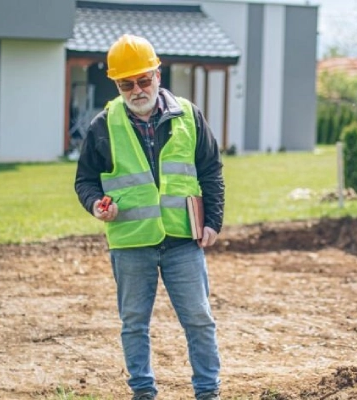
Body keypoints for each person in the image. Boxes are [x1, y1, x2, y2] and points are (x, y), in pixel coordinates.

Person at [74, 34, 224, 400]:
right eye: (127, 83)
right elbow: (85, 180)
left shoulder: (189, 116)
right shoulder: (103, 125)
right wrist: (96, 204)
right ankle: (143, 392)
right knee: (134, 324)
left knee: (199, 320)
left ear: (158, 74)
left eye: (144, 80)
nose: (137, 89)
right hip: (130, 241)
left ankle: (208, 392)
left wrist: (213, 221)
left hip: (182, 240)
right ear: (116, 84)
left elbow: (210, 170)